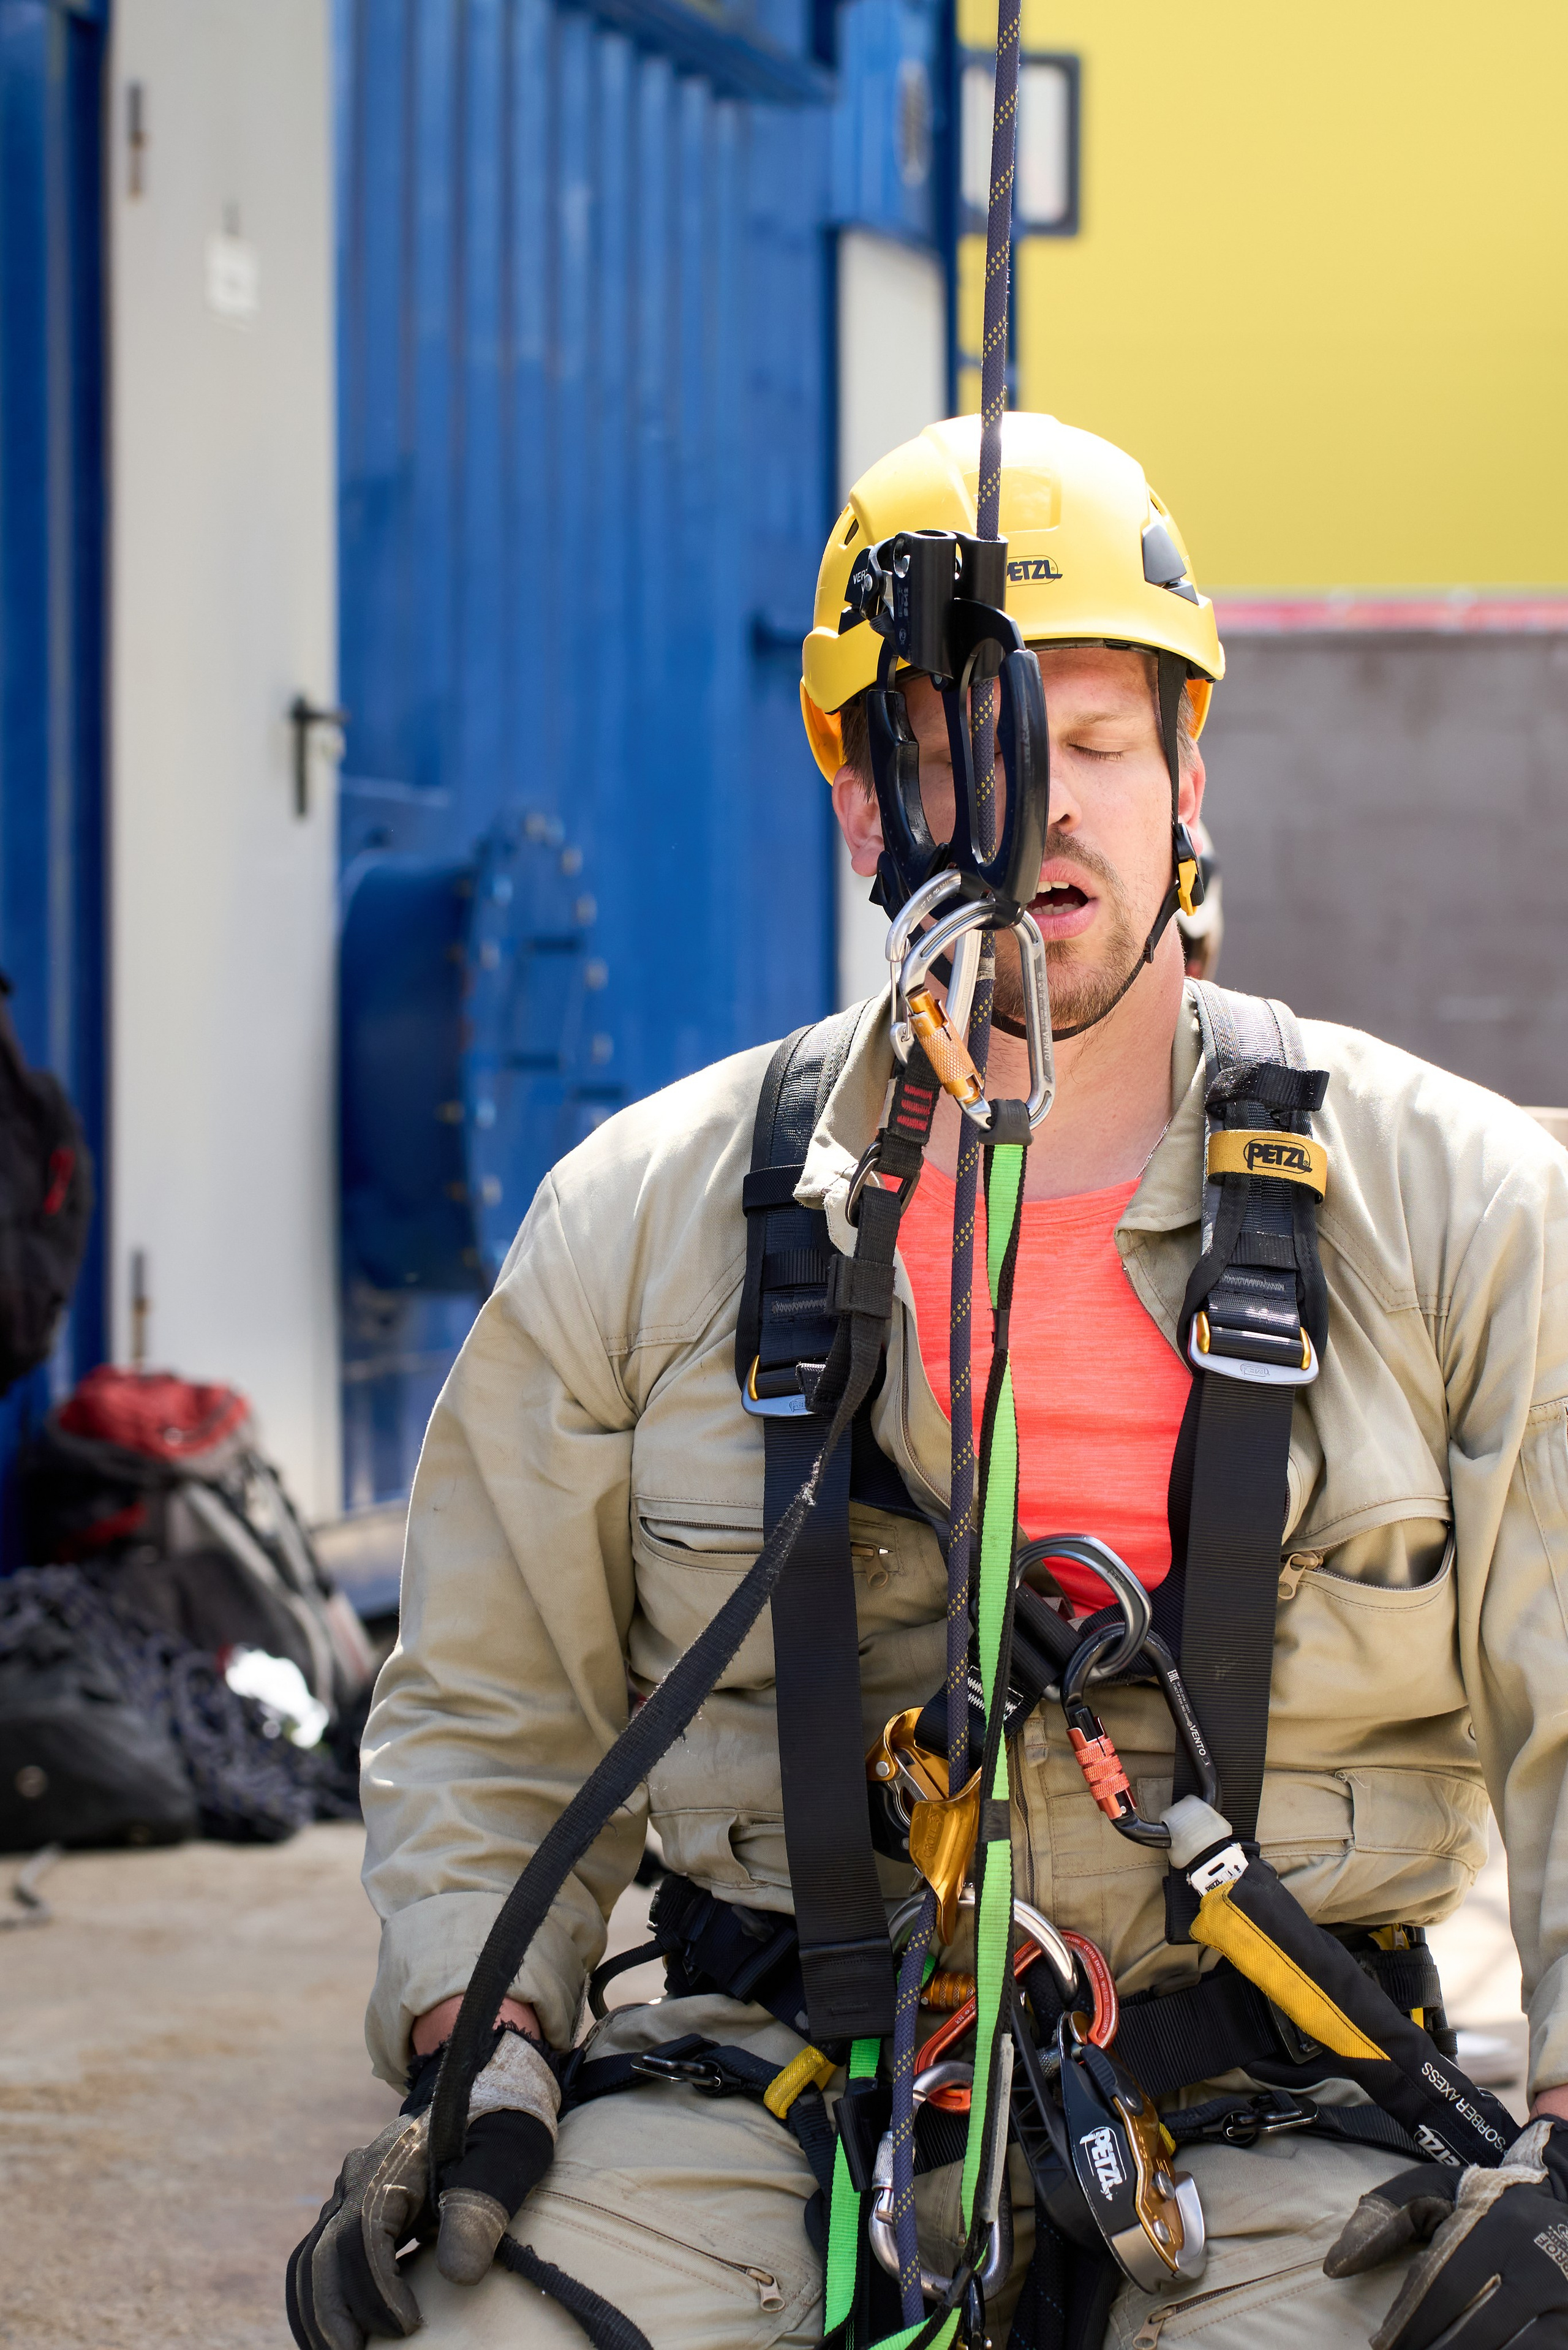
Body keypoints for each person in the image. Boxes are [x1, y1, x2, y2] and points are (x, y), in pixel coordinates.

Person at [288, 414, 1568, 2350]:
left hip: (1290, 2110)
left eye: (1094, 743)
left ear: (1189, 770)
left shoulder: (1465, 1211)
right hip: (776, 2093)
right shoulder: (643, 1220)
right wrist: (496, 2049)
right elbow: (489, 1711)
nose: (1028, 807)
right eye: (954, 742)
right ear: (852, 793)